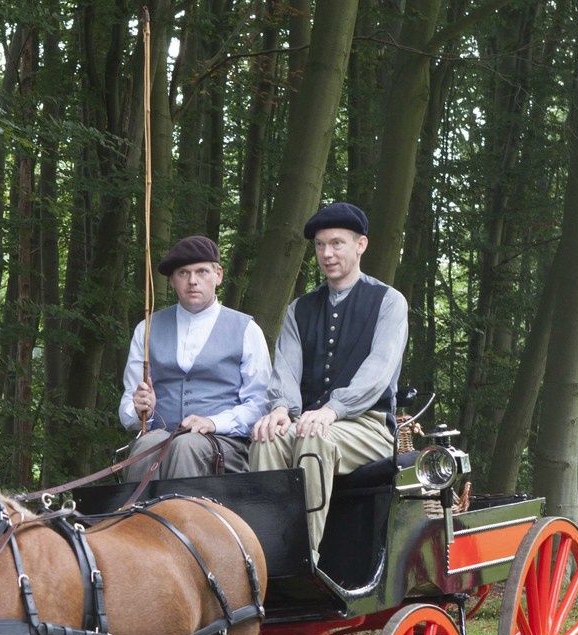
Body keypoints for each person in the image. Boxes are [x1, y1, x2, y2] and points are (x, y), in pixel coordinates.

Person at [250, 202, 406, 566]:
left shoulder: (388, 302)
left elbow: (378, 372)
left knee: (313, 437)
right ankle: (263, 560)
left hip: (369, 426)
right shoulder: (299, 309)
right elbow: (286, 369)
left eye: (337, 243)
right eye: (320, 245)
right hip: (308, 420)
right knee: (266, 437)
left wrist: (333, 409)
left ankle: (304, 562)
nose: (327, 253)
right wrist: (280, 409)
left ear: (360, 245)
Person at [118, 235, 271, 479]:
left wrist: (214, 422)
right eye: (183, 273)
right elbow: (128, 404)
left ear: (218, 275)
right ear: (171, 280)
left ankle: (183, 507)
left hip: (224, 443)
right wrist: (140, 411)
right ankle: (140, 506)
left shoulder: (246, 330)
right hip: (160, 436)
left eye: (202, 272)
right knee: (146, 446)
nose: (192, 281)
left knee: (186, 445)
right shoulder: (146, 329)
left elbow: (260, 404)